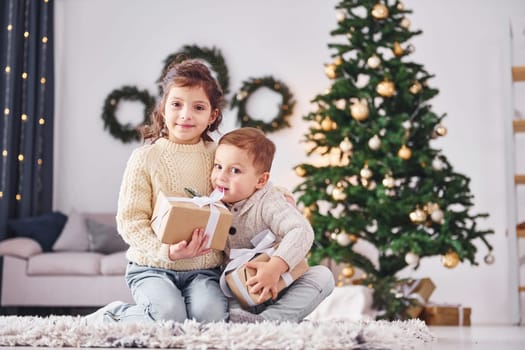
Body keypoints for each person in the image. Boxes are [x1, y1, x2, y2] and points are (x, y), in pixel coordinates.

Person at [85, 59, 228, 324]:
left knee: (210, 316)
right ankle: (108, 317)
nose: (185, 114)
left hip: (204, 270)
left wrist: (273, 194)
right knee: (169, 315)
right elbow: (130, 221)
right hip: (152, 267)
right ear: (163, 109)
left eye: (198, 107)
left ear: (212, 116)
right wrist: (166, 252)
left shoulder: (219, 154)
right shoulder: (145, 158)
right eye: (176, 104)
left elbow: (246, 179)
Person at [212, 127, 335, 323]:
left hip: (280, 286)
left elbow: (301, 230)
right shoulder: (211, 202)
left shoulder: (269, 201)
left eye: (235, 170)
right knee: (214, 297)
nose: (221, 177)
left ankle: (270, 319)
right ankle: (247, 319)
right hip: (237, 292)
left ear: (261, 180)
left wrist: (275, 267)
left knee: (323, 277)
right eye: (218, 166)